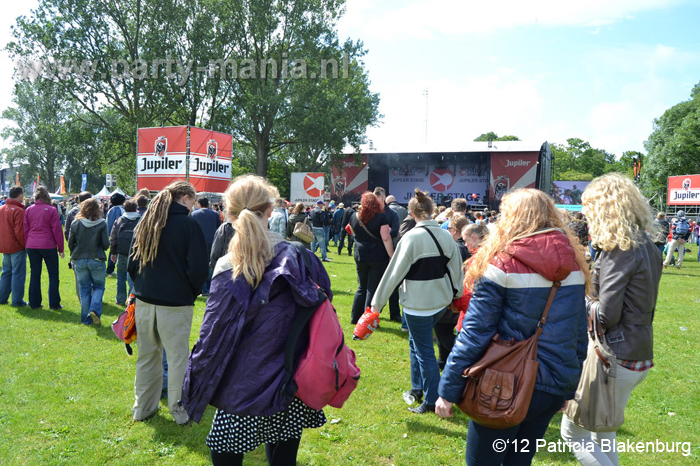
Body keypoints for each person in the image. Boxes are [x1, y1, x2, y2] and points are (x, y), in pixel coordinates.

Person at [182, 175, 329, 466]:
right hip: (290, 377)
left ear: (227, 214)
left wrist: (192, 380)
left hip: (243, 385)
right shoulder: (300, 256)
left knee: (225, 452)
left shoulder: (229, 266)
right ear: (270, 211)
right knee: (283, 454)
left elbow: (212, 337)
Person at [436, 188, 589, 465]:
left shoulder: (501, 264)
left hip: (502, 385)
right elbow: (579, 333)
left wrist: (448, 389)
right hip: (551, 385)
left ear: (512, 218)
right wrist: (567, 388)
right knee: (520, 461)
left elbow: (474, 332)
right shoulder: (575, 266)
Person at [561, 174, 663, 466]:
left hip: (614, 358)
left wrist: (575, 296)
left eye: (589, 209)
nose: (587, 217)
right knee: (603, 436)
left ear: (605, 208)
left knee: (573, 435)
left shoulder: (622, 249)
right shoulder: (645, 243)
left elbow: (605, 315)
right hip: (635, 353)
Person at [370, 189, 463, 414]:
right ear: (432, 211)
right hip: (440, 303)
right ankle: (417, 388)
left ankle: (431, 400)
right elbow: (456, 270)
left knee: (424, 351)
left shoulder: (410, 237)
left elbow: (393, 274)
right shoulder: (445, 236)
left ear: (411, 213)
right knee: (417, 344)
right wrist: (457, 295)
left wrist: (376, 305)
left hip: (418, 306)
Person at [127, 181, 209, 424]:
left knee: (147, 357)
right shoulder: (188, 224)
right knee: (176, 359)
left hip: (145, 299)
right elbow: (198, 269)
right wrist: (189, 292)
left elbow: (132, 263)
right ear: (185, 198)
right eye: (193, 200)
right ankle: (177, 409)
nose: (194, 205)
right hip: (173, 303)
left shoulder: (148, 223)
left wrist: (143, 286)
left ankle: (143, 407)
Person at [349, 192, 394, 324]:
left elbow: (352, 233)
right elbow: (386, 238)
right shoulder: (381, 217)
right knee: (372, 288)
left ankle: (355, 317)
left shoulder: (354, 216)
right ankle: (367, 320)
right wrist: (392, 256)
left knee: (362, 287)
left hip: (360, 254)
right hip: (377, 256)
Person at [434, 212, 470, 370]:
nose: (446, 231)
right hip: (462, 295)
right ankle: (443, 360)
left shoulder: (455, 247)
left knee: (443, 331)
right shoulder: (467, 247)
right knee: (445, 330)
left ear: (455, 230)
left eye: (448, 228)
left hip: (453, 296)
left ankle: (466, 360)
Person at [68, 198, 110, 325]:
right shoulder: (102, 223)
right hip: (97, 259)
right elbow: (106, 244)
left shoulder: (75, 223)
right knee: (98, 287)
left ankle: (86, 319)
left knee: (84, 289)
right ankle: (94, 310)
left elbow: (70, 243)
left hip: (80, 259)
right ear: (97, 209)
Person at [23, 186, 65, 310]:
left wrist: (27, 244)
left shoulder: (29, 210)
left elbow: (25, 230)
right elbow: (57, 230)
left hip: (32, 244)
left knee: (35, 274)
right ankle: (54, 304)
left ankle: (34, 303)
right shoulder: (51, 210)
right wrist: (61, 248)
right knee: (53, 275)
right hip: (48, 245)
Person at [109, 199, 141, 306]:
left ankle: (120, 299)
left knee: (120, 276)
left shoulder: (119, 220)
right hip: (135, 252)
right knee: (132, 277)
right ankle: (131, 300)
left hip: (121, 252)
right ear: (136, 208)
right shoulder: (140, 220)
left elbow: (113, 238)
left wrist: (113, 252)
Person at [0, 186, 27, 307]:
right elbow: (19, 232)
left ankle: (2, 297)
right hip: (16, 246)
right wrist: (25, 245)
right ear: (20, 195)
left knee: (6, 272)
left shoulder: (1, 208)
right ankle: (16, 300)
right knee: (18, 274)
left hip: (4, 246)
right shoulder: (18, 211)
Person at [191, 196, 222, 296]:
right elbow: (218, 229)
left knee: (200, 265)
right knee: (211, 265)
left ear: (199, 204)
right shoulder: (215, 214)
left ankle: (203, 289)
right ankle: (210, 287)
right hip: (212, 242)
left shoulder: (194, 214)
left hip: (199, 242)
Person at [105, 193, 126, 276]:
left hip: (111, 233)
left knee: (112, 251)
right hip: (120, 234)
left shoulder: (110, 210)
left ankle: (110, 268)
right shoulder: (122, 210)